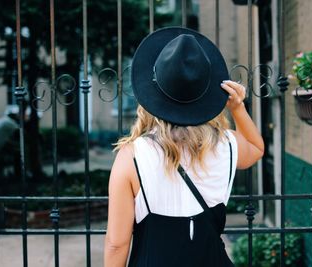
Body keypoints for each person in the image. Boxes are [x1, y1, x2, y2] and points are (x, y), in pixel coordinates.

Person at [104, 27, 264, 267]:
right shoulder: (226, 144)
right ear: (205, 93)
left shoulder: (131, 157)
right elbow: (256, 147)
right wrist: (237, 108)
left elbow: (117, 244)